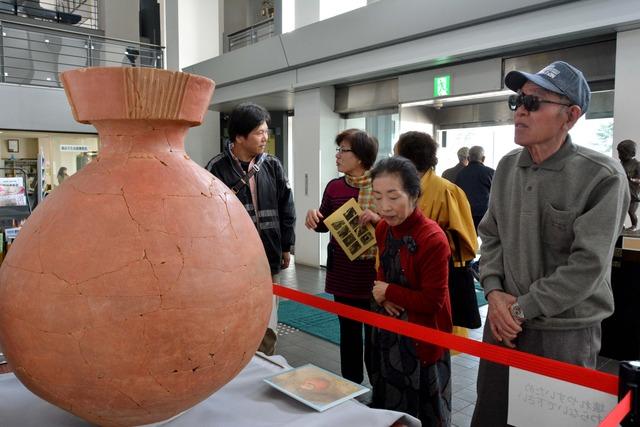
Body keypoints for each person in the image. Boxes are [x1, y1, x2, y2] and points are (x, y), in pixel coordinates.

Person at [471, 61, 630, 426]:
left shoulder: (602, 176)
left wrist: (521, 308)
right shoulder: (508, 166)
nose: (521, 110)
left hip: (564, 334)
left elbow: (587, 267)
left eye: (535, 102)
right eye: (518, 101)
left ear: (570, 116)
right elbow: (491, 235)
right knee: (490, 416)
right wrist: (494, 294)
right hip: (502, 322)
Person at [206, 102, 296, 355]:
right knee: (237, 317)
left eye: (266, 131)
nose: (265, 137)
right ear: (239, 136)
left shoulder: (272, 166)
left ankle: (263, 362)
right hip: (233, 261)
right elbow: (209, 218)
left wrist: (287, 246)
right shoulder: (216, 168)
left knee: (268, 320)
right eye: (259, 132)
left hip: (268, 256)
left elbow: (286, 207)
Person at [369, 156, 452, 426]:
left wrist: (388, 292)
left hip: (421, 338)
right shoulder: (383, 228)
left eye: (393, 197)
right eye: (378, 197)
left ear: (414, 194)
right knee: (389, 404)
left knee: (423, 412)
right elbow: (383, 271)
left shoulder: (432, 238)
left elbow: (432, 302)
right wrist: (382, 294)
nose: (384, 207)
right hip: (389, 333)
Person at [304, 129, 379, 384]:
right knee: (348, 334)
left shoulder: (381, 186)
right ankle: (352, 388)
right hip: (343, 275)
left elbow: (398, 225)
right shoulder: (335, 186)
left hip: (373, 276)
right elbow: (325, 223)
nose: (337, 156)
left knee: (375, 338)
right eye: (338, 150)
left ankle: (380, 393)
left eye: (343, 150)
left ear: (360, 156)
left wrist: (377, 220)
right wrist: (314, 216)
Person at [395, 131, 480, 331]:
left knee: (435, 338)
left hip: (434, 275)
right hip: (403, 276)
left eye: (396, 156)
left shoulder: (446, 190)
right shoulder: (401, 188)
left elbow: (466, 242)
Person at [455, 146, 495, 231]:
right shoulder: (491, 173)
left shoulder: (460, 174)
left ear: (469, 158)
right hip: (485, 215)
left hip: (465, 214)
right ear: (483, 158)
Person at [617, 139, 640, 231]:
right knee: (620, 210)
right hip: (622, 190)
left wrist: (631, 179)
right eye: (619, 153)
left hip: (633, 192)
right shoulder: (620, 164)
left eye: (622, 153)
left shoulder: (637, 165)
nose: (620, 155)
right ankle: (620, 225)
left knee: (631, 211)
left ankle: (634, 225)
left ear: (631, 153)